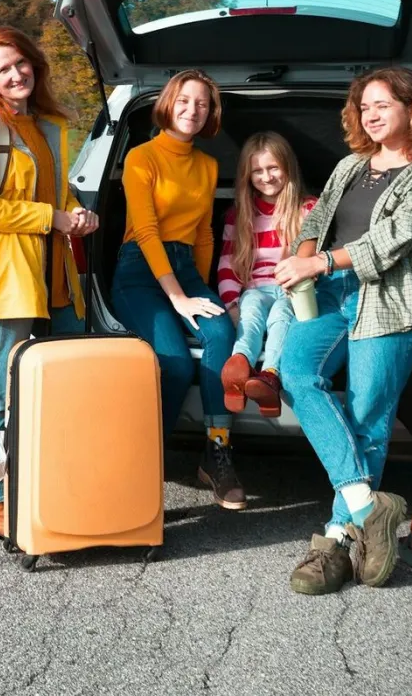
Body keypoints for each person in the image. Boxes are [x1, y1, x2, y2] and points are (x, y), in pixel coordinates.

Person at [273, 67, 412, 595]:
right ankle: (368, 506)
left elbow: (387, 244)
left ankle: (335, 541)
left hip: (391, 302)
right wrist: (299, 264)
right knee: (297, 372)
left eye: (382, 105)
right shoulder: (352, 164)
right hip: (330, 295)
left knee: (368, 418)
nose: (370, 116)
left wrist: (319, 263)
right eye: (364, 107)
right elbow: (316, 222)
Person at [0, 25, 100, 544]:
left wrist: (77, 214)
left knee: (66, 390)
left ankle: (54, 487)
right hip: (10, 282)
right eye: (3, 69)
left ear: (35, 63)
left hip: (58, 281)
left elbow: (58, 194)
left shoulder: (48, 124)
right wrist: (51, 218)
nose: (16, 74)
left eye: (20, 63)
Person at [110, 69, 245, 510]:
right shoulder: (141, 158)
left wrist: (203, 290)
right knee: (175, 365)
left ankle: (216, 451)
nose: (193, 110)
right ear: (169, 103)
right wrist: (179, 299)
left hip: (185, 266)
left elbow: (204, 233)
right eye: (185, 100)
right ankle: (144, 465)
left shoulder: (207, 166)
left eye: (202, 103)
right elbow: (147, 232)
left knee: (221, 333)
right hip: (139, 270)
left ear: (211, 112)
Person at [217, 132, 316, 418]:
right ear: (247, 176)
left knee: (281, 317)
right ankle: (240, 364)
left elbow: (315, 261)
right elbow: (227, 266)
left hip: (291, 291)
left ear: (288, 167)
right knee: (249, 314)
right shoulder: (240, 215)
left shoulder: (307, 208)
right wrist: (231, 304)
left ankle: (268, 373)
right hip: (255, 289)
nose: (266, 176)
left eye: (273, 168)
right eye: (257, 171)